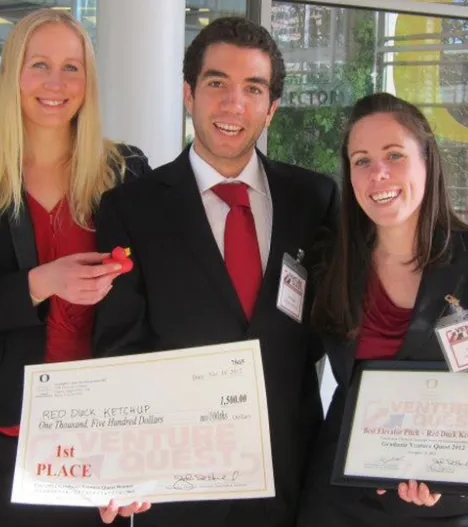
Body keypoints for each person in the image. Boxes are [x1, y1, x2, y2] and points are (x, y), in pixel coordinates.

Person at [92, 16, 339, 527]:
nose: (233, 104)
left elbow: (334, 326)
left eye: (253, 89)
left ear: (271, 108)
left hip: (291, 478)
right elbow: (120, 345)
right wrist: (123, 463)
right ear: (189, 94)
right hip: (179, 484)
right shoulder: (130, 208)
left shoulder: (315, 199)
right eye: (217, 84)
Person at [0, 9, 151, 526]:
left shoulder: (125, 172)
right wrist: (41, 283)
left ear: (88, 80)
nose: (56, 83)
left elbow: (152, 307)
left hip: (95, 438)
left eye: (71, 68)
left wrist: (146, 449)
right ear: (13, 74)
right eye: (39, 65)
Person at [295, 93, 468, 527]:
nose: (378, 173)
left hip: (442, 500)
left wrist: (446, 468)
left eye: (394, 155)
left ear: (427, 161)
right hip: (342, 497)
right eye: (362, 160)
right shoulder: (332, 262)